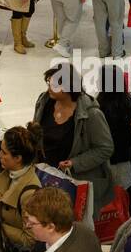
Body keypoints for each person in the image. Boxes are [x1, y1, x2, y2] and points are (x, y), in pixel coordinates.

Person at [32, 64, 113, 219]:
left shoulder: (91, 114)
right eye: (48, 82)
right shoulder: (44, 101)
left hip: (75, 183)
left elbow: (105, 148)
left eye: (54, 84)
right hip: (46, 177)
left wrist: (75, 162)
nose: (49, 87)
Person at [0, 125, 42, 250]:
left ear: (18, 158)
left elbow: (30, 239)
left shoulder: (30, 194)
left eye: (4, 152)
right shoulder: (9, 173)